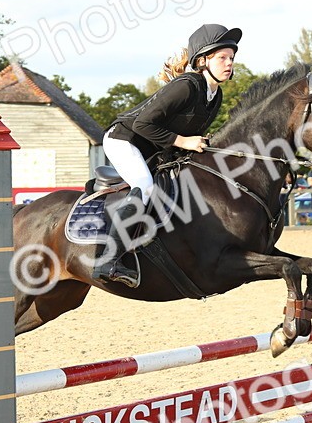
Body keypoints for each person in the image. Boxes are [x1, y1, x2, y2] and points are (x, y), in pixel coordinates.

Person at [94, 23, 241, 286]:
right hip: (124, 139)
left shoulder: (215, 95)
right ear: (203, 60)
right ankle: (108, 261)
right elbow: (142, 125)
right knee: (146, 187)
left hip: (153, 147)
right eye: (222, 57)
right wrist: (184, 141)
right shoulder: (187, 85)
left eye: (231, 57)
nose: (229, 63)